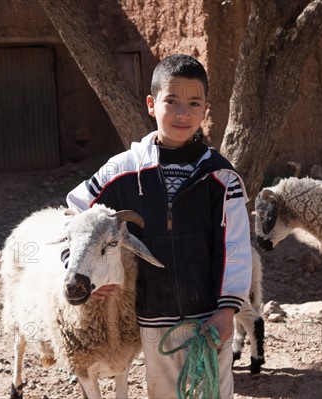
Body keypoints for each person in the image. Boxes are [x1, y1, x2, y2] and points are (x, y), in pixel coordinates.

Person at [65, 54, 252, 398]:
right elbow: (77, 211)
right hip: (154, 317)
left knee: (214, 391)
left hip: (210, 318)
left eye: (193, 103)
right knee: (164, 393)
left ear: (205, 109)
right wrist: (89, 272)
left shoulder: (221, 177)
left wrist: (227, 309)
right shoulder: (122, 170)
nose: (183, 113)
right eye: (172, 101)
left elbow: (236, 247)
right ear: (151, 105)